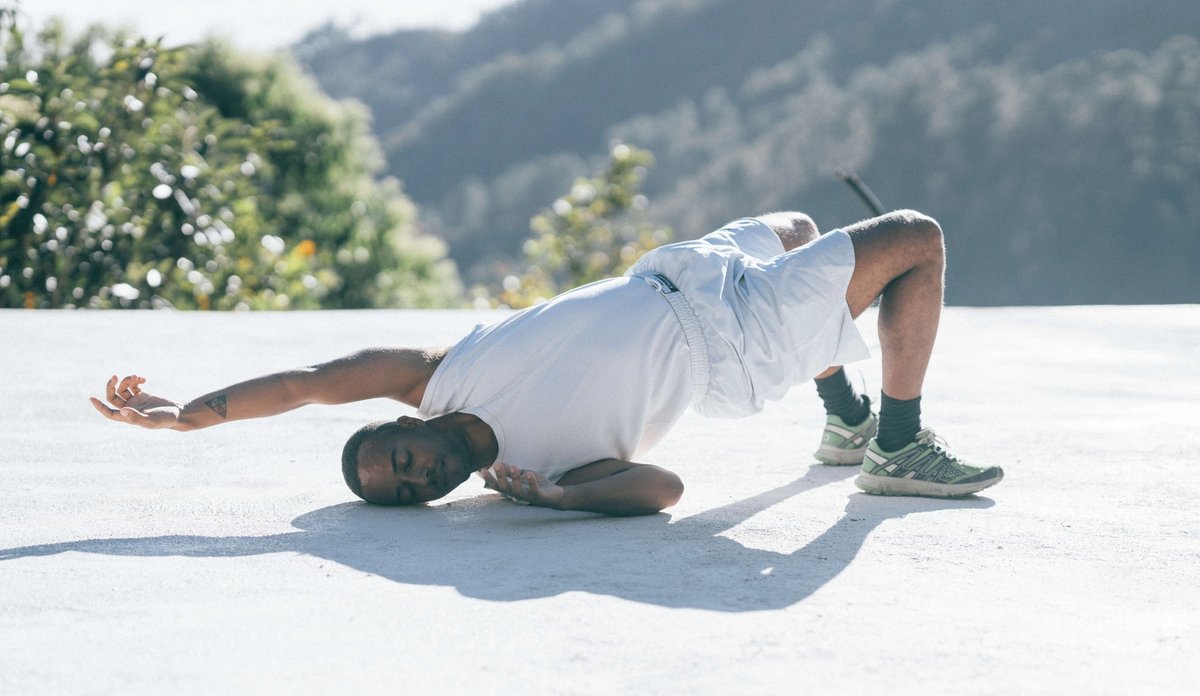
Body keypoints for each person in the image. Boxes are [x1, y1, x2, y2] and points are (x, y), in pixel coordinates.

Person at [91, 209, 1003, 516]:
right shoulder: (538, 473)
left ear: (407, 425)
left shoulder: (434, 373)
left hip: (684, 270)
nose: (421, 479)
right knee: (914, 238)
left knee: (798, 227)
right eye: (410, 494)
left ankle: (843, 423)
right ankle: (896, 445)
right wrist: (558, 497)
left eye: (401, 462)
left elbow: (303, 385)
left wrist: (188, 416)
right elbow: (665, 491)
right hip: (733, 338)